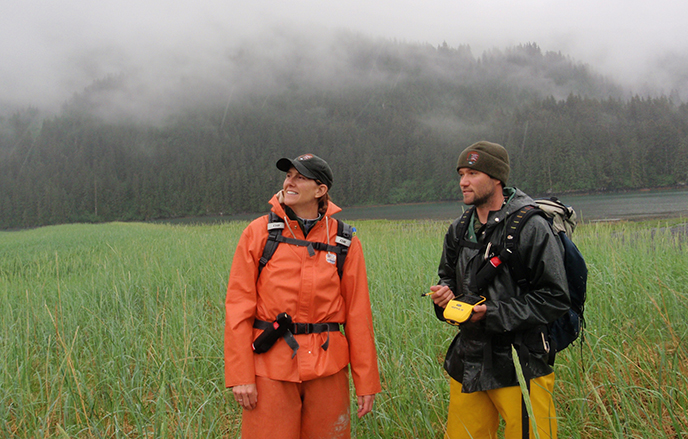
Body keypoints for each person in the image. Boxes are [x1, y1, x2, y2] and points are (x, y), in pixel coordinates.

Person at [224, 153, 381, 439]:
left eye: (300, 177)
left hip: (328, 369)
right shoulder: (259, 233)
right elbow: (238, 307)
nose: (289, 182)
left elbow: (359, 315)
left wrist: (366, 381)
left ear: (321, 190)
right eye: (288, 176)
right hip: (270, 367)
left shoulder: (345, 240)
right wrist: (240, 376)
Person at [429, 141, 570, 439]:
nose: (463, 182)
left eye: (472, 173)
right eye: (461, 173)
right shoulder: (459, 228)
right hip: (468, 361)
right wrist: (443, 297)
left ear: (497, 178)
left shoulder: (531, 226)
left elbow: (555, 298)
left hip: (521, 363)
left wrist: (490, 313)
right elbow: (447, 277)